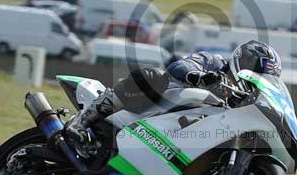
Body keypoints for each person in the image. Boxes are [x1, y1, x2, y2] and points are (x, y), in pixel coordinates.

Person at [63, 40, 282, 146]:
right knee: (152, 76)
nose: (257, 77)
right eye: (256, 69)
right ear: (242, 60)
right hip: (152, 106)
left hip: (177, 136)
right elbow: (179, 66)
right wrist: (200, 77)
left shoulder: (242, 102)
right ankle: (82, 120)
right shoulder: (214, 62)